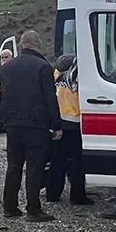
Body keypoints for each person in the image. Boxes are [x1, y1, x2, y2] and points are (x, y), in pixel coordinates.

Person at [0, 30, 61, 222]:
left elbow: (3, 96)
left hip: (13, 125)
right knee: (34, 167)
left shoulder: (8, 67)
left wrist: (6, 120)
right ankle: (33, 208)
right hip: (36, 125)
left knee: (14, 165)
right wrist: (56, 125)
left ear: (21, 45)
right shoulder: (43, 66)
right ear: (38, 44)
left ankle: (10, 206)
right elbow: (50, 98)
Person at [46, 54, 91, 205]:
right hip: (75, 124)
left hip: (60, 123)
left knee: (58, 160)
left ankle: (52, 194)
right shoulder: (76, 80)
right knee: (77, 162)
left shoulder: (57, 78)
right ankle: (78, 196)